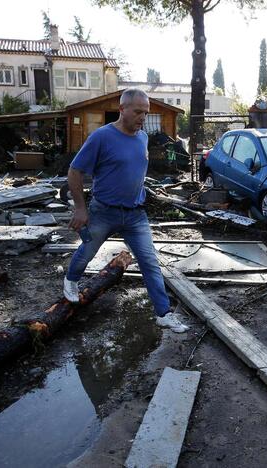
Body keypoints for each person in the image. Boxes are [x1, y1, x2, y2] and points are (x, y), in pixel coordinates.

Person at [63, 88, 189, 333]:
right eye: (138, 112)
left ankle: (163, 314)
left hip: (135, 214)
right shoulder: (102, 137)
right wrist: (80, 208)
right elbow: (74, 171)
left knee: (150, 262)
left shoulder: (142, 137)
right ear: (122, 109)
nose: (143, 117)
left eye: (146, 112)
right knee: (86, 252)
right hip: (103, 211)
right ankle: (71, 280)